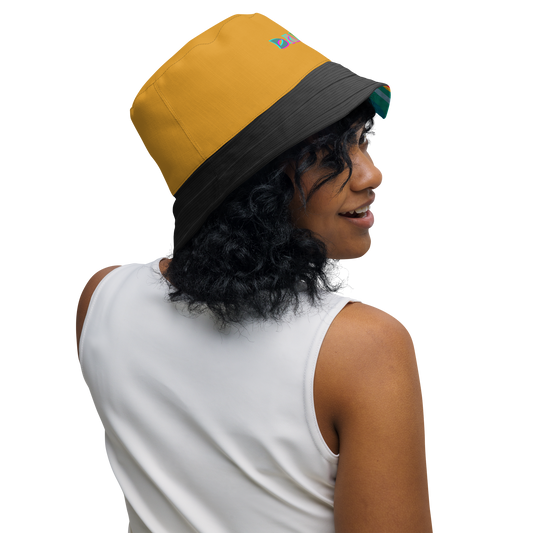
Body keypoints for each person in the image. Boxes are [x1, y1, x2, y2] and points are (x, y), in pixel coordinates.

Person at [74, 10, 434, 533]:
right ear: (253, 191)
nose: (373, 174)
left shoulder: (101, 298)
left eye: (363, 140)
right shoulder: (365, 347)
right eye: (327, 156)